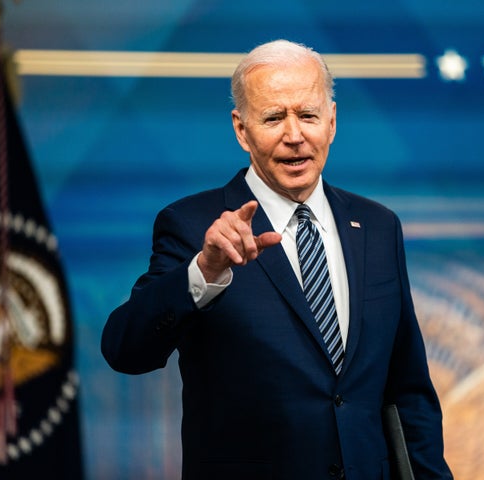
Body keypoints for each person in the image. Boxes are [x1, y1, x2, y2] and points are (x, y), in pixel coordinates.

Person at [101, 39, 453, 480]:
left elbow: (409, 393)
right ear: (241, 130)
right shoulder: (193, 226)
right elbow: (124, 349)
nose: (294, 135)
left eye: (307, 115)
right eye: (273, 118)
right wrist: (203, 272)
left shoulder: (379, 228)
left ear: (332, 120)